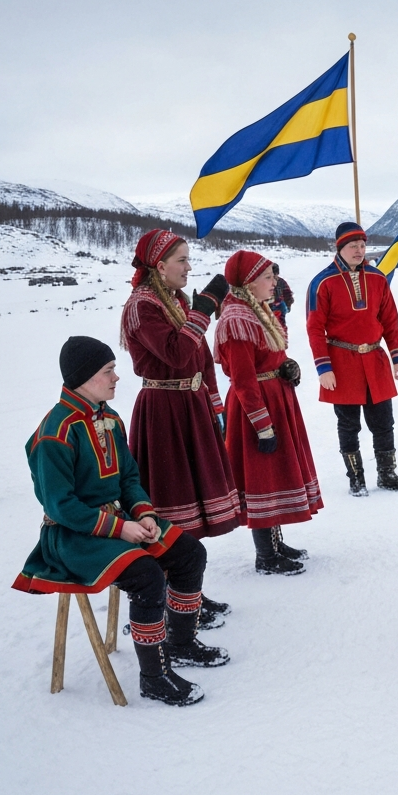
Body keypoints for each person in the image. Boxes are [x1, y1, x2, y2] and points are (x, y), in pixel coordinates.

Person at [12, 337, 228, 706]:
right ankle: (154, 677)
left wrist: (142, 512)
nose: (116, 377)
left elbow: (129, 478)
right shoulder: (55, 433)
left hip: (119, 521)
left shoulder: (109, 419)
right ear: (83, 378)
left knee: (189, 553)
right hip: (73, 538)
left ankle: (181, 642)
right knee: (146, 575)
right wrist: (121, 528)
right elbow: (62, 506)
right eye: (107, 371)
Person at [120, 230, 240, 629]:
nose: (189, 268)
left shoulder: (176, 302)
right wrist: (204, 310)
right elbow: (174, 352)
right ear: (160, 266)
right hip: (163, 411)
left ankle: (190, 592)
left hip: (191, 407)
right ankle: (176, 598)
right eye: (183, 260)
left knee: (195, 500)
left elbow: (201, 358)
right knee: (172, 501)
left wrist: (213, 404)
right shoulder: (142, 307)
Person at [217, 250, 322, 574]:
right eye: (267, 277)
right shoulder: (237, 320)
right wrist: (262, 426)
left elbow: (271, 358)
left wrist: (286, 367)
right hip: (256, 406)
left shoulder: (257, 310)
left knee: (274, 473)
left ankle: (276, 541)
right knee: (261, 476)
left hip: (275, 397)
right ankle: (266, 554)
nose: (274, 282)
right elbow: (245, 380)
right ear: (249, 283)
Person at [306, 222, 398, 498]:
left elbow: (390, 320)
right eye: (353, 245)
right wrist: (323, 367)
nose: (359, 250)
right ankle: (356, 478)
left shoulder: (378, 278)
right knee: (349, 424)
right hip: (342, 363)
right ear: (339, 247)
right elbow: (315, 327)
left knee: (384, 422)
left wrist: (397, 356)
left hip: (375, 360)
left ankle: (387, 474)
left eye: (362, 245)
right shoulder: (322, 282)